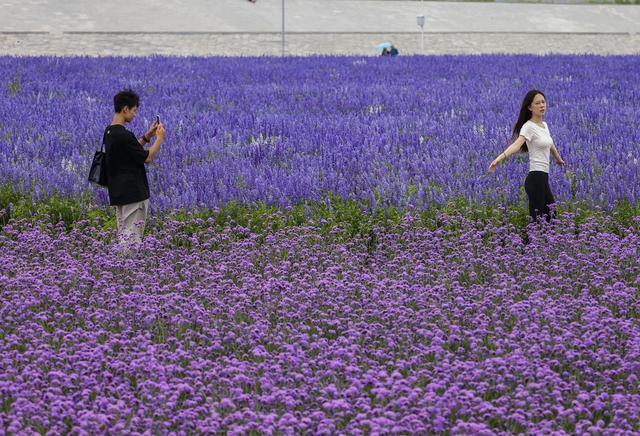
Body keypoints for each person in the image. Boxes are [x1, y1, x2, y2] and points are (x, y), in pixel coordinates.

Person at [488, 89, 565, 222]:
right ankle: (531, 242)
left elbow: (550, 144)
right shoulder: (528, 127)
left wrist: (558, 159)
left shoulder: (544, 125)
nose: (542, 105)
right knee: (538, 219)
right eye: (537, 103)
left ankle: (545, 243)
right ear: (530, 107)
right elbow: (516, 145)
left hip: (543, 178)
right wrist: (498, 159)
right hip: (535, 179)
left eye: (543, 102)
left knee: (551, 216)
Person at [104, 89, 165, 245]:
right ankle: (127, 268)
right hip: (133, 194)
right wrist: (159, 138)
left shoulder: (110, 132)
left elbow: (130, 150)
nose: (135, 114)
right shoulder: (125, 135)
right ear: (125, 109)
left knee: (123, 236)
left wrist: (147, 136)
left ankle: (119, 267)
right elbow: (147, 157)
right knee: (132, 239)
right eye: (134, 110)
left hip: (118, 193)